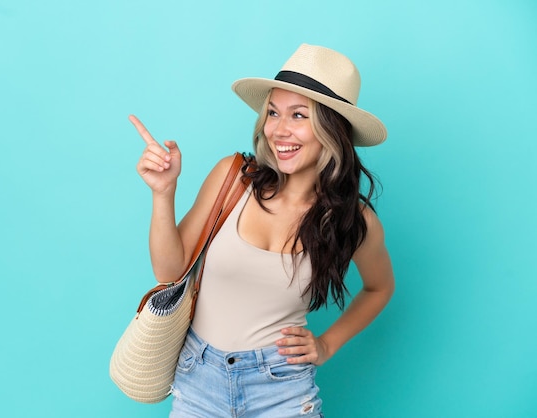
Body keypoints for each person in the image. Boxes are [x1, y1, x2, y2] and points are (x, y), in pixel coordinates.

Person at [130, 43, 395, 417]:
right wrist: (163, 193)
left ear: (331, 130)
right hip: (197, 381)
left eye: (299, 115)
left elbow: (380, 287)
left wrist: (327, 345)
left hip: (282, 389)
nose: (279, 130)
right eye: (273, 112)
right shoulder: (232, 177)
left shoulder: (355, 221)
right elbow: (169, 273)